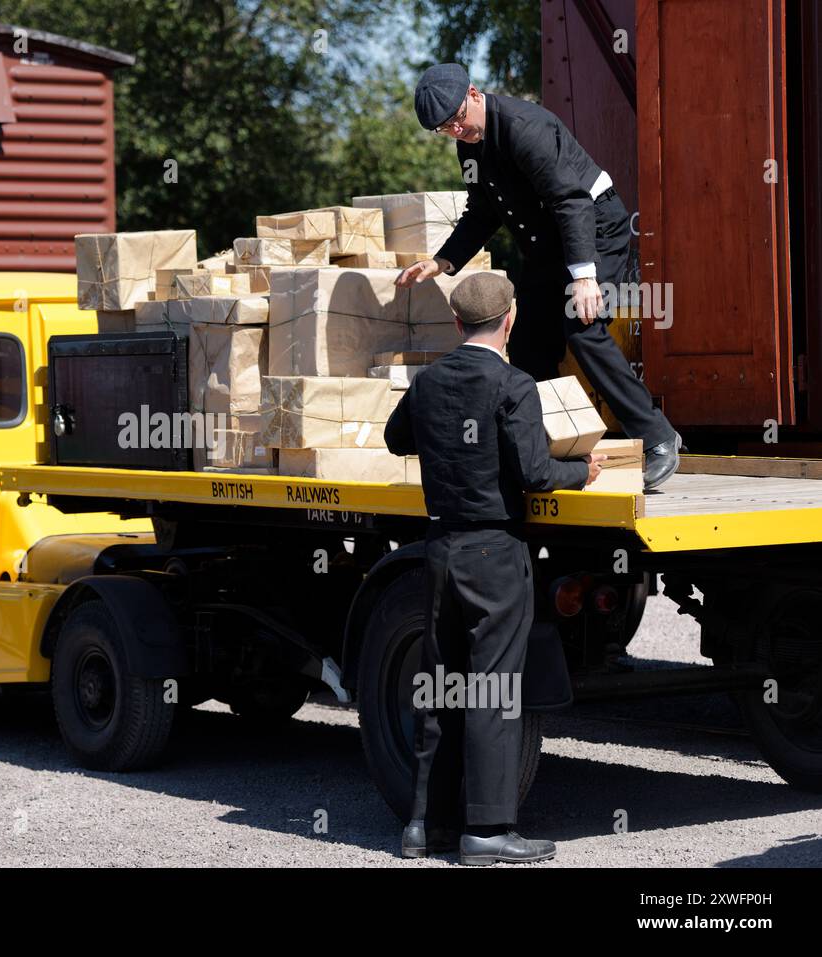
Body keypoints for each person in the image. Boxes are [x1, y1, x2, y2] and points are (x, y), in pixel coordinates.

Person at [384, 272, 602, 865]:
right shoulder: (513, 385)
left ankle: (424, 826)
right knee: (492, 690)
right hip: (494, 555)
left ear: (458, 323)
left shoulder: (428, 381)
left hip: (440, 549)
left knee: (441, 687)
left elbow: (395, 438)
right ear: (510, 320)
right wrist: (584, 472)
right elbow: (535, 474)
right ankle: (486, 830)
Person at [398, 62, 681, 491]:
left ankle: (659, 437)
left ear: (474, 94)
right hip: (549, 244)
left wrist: (585, 278)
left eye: (458, 118)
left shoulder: (522, 127)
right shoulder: (471, 145)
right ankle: (556, 445)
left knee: (581, 326)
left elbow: (571, 201)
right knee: (528, 343)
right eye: (445, 129)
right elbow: (483, 212)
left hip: (593, 229)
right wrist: (442, 262)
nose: (457, 131)